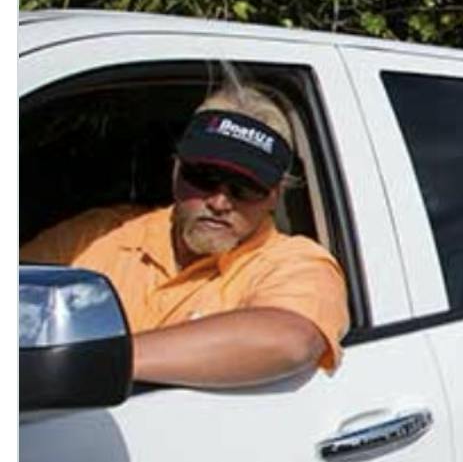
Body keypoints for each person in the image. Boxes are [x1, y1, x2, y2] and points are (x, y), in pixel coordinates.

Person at [20, 86, 349, 388]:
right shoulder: (98, 233)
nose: (220, 203)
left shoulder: (296, 263)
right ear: (176, 171)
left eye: (244, 188)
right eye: (204, 178)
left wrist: (90, 359)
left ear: (274, 197)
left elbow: (290, 339)